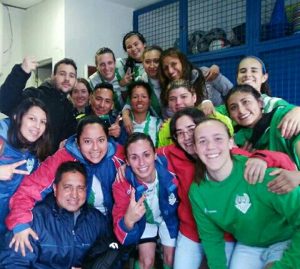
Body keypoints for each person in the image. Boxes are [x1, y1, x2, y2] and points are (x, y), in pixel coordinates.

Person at [5, 116, 124, 257]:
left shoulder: (119, 156)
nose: (95, 148)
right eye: (87, 141)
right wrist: (20, 223)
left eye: (101, 140)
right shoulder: (62, 159)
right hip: (71, 229)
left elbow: (145, 157)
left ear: (108, 140)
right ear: (78, 143)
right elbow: (29, 189)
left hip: (111, 228)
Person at [189, 117, 300, 269]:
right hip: (249, 245)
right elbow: (211, 237)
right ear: (195, 148)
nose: (210, 146)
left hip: (286, 239)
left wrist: (287, 265)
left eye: (218, 138)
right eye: (202, 141)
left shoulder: (260, 173)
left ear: (230, 142)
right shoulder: (198, 191)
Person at [0, 161, 116, 269]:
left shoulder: (96, 220)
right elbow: (12, 263)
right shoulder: (35, 219)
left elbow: (109, 250)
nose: (74, 195)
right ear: (55, 189)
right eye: (67, 187)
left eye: (80, 188)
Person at [113, 133, 178, 269]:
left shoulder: (171, 168)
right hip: (145, 221)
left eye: (146, 155)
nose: (142, 163)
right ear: (127, 161)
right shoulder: (121, 183)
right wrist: (128, 221)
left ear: (155, 154)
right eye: (134, 157)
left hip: (169, 217)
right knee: (146, 263)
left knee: (171, 258)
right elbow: (120, 229)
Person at [0, 57, 78, 153]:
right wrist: (22, 72)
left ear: (75, 81)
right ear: (53, 76)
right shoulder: (36, 95)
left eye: (71, 75)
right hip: (26, 161)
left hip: (50, 164)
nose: (67, 79)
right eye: (62, 74)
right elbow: (5, 103)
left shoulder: (68, 107)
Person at [0, 98, 51, 237]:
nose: (37, 126)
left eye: (43, 122)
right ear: (17, 117)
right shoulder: (1, 138)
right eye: (32, 118)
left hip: (5, 226)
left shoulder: (33, 154)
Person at [217, 55, 300, 139]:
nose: (248, 75)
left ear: (264, 77)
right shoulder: (226, 108)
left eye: (254, 71)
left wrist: (297, 111)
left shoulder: (274, 103)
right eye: (243, 71)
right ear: (237, 77)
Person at [225, 84, 300, 169]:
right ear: (230, 115)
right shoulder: (234, 140)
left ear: (260, 103)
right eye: (233, 107)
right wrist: (244, 157)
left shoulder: (282, 118)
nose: (241, 111)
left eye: (246, 102)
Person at [158, 79, 233, 147]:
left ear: (194, 97)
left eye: (183, 97)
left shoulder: (216, 119)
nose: (178, 102)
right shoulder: (166, 129)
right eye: (172, 99)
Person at [158, 47, 232, 113]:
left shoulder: (205, 74)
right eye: (166, 68)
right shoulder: (166, 92)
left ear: (182, 62)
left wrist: (220, 112)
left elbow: (231, 92)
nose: (170, 71)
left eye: (174, 64)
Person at [122, 46, 164, 135]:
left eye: (156, 61)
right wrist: (125, 117)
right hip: (157, 127)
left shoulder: (170, 77)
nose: (152, 66)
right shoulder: (141, 80)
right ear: (142, 63)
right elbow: (128, 104)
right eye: (147, 62)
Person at [124, 81, 162, 147]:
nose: (139, 100)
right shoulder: (123, 123)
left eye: (144, 97)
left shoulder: (158, 123)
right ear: (130, 101)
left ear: (149, 101)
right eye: (135, 97)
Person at [89, 47, 126, 112]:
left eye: (110, 63)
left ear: (115, 63)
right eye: (102, 64)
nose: (107, 68)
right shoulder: (92, 82)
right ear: (97, 66)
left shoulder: (123, 67)